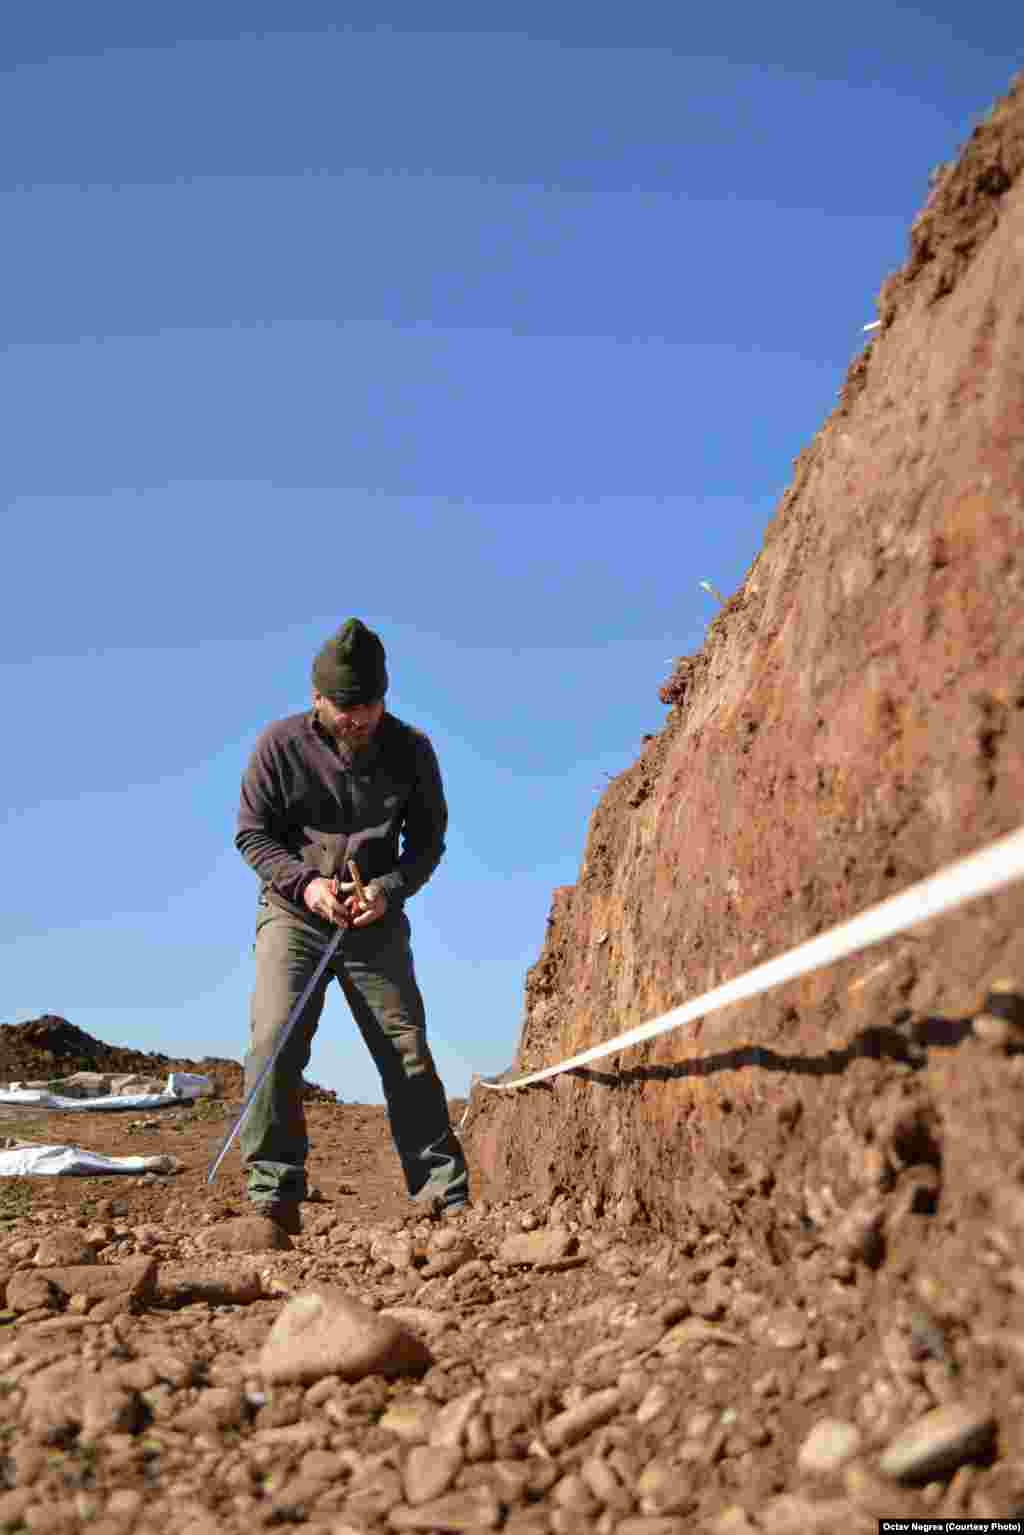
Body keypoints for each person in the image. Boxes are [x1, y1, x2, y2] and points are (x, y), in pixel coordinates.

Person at [234, 617, 469, 1232]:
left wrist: (388, 892)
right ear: (317, 697)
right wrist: (305, 885)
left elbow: (429, 843)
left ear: (384, 698)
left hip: (375, 923)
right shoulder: (277, 746)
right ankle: (273, 1195)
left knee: (407, 1052)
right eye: (344, 706)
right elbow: (252, 834)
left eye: (368, 704)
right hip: (295, 914)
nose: (357, 717)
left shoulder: (412, 750)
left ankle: (443, 1194)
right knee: (273, 1041)